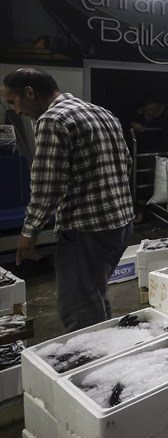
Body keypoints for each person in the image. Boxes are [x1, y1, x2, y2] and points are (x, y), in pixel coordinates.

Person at [1, 68, 134, 332]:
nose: (17, 111)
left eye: (13, 102)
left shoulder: (53, 120)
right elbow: (126, 165)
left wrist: (30, 232)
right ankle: (110, 354)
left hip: (86, 229)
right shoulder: (102, 113)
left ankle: (93, 368)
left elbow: (47, 185)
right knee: (93, 295)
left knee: (78, 309)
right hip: (120, 224)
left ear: (30, 92)